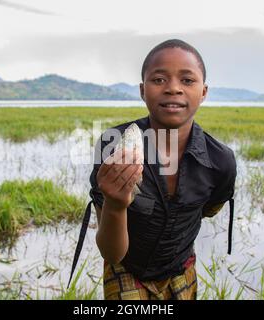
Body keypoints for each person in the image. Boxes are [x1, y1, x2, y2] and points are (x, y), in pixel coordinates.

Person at [69, 39, 237, 300]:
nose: (173, 89)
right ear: (142, 90)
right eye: (159, 80)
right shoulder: (113, 145)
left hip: (181, 270)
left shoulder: (221, 161)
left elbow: (208, 210)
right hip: (126, 270)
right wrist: (115, 204)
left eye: (187, 80)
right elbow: (112, 254)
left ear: (203, 92)